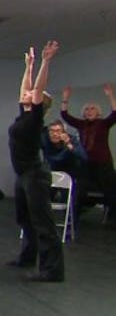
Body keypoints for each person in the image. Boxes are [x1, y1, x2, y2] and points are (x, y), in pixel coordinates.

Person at [8, 41, 64, 282]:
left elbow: (38, 88)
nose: (27, 94)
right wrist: (28, 67)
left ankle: (53, 270)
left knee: (42, 222)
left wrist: (45, 61)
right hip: (23, 175)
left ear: (39, 102)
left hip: (35, 174)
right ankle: (27, 257)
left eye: (31, 95)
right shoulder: (25, 115)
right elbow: (27, 88)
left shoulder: (34, 120)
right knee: (25, 218)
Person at [61, 83, 116, 217]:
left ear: (98, 112)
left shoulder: (103, 124)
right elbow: (65, 115)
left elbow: (115, 113)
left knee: (110, 191)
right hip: (85, 163)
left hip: (103, 164)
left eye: (92, 108)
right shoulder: (81, 124)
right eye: (87, 109)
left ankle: (112, 217)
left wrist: (110, 95)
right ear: (84, 113)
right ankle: (74, 216)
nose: (89, 111)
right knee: (80, 190)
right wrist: (65, 98)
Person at [42, 119, 89, 222]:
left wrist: (69, 144)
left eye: (58, 131)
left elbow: (84, 157)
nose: (55, 134)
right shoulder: (45, 140)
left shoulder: (71, 139)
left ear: (64, 132)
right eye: (52, 131)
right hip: (52, 173)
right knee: (41, 197)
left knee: (70, 202)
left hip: (70, 173)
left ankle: (71, 223)